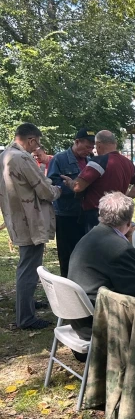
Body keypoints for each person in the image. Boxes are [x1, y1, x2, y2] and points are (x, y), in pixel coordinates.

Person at [67, 192, 135, 341]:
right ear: (129, 221)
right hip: (98, 324)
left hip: (78, 317)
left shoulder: (91, 235)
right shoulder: (121, 248)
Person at [0, 123, 62, 329]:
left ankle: (26, 304)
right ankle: (26, 318)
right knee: (29, 268)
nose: (37, 148)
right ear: (32, 140)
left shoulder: (5, 155)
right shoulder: (22, 158)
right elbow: (44, 191)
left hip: (17, 216)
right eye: (37, 144)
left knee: (28, 265)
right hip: (30, 219)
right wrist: (59, 189)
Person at [61, 130, 135, 231]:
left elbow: (78, 187)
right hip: (118, 213)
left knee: (97, 245)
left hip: (97, 215)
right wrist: (124, 198)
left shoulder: (99, 161)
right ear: (115, 144)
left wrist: (70, 182)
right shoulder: (128, 163)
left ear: (99, 144)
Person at [48, 129, 96, 277]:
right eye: (87, 146)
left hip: (86, 213)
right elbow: (52, 183)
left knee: (85, 252)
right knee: (67, 253)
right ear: (76, 142)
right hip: (66, 214)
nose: (89, 150)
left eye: (91, 147)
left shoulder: (90, 161)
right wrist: (73, 188)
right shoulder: (59, 159)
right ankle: (66, 286)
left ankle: (82, 283)